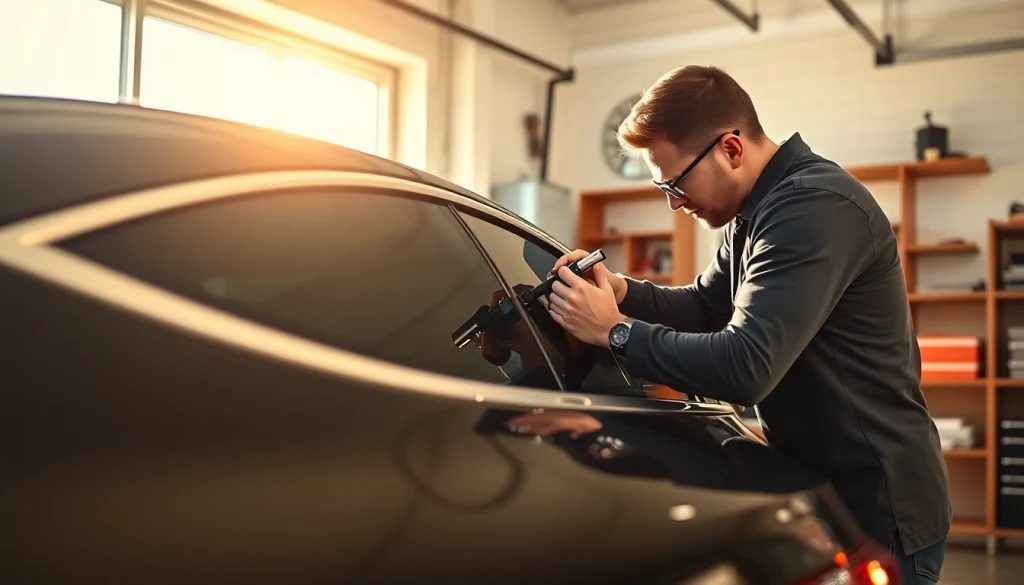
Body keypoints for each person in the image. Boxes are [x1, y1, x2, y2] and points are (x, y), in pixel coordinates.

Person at [544, 65, 950, 585]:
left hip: (879, 501)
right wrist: (622, 290)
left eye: (676, 182)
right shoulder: (753, 213)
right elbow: (703, 306)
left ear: (731, 149)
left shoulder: (812, 207)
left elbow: (745, 367)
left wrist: (615, 331)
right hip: (825, 487)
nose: (674, 201)